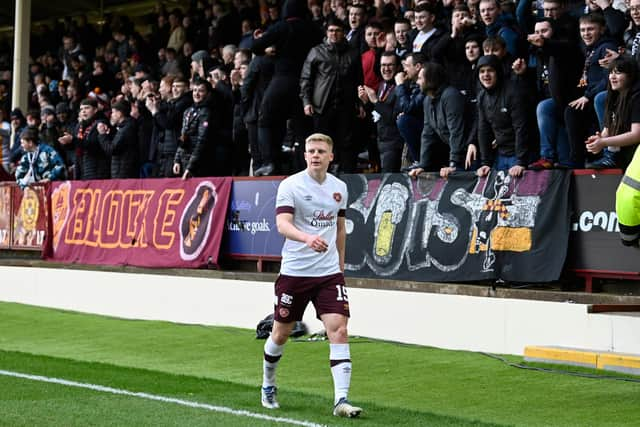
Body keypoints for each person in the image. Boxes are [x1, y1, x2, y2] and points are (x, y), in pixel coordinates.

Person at [261, 133, 362, 419]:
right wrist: (306, 238)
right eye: (311, 151)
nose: (315, 155)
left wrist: (340, 269)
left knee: (339, 328)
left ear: (331, 156)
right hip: (295, 272)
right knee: (281, 332)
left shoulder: (339, 188)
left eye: (321, 151)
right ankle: (268, 383)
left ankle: (341, 400)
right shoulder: (290, 185)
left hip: (328, 274)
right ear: (304, 155)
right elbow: (282, 223)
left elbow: (340, 229)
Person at [300, 18, 364, 174]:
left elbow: (359, 81)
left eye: (337, 30)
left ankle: (348, 179)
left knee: (347, 144)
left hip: (346, 105)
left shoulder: (353, 53)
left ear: (343, 33)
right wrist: (306, 101)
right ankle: (323, 176)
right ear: (326, 32)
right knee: (322, 143)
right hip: (321, 106)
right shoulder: (317, 51)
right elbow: (306, 78)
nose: (334, 34)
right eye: (331, 30)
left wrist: (360, 104)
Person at [409, 62, 468, 178]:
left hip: (469, 154)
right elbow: (427, 135)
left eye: (420, 78)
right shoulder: (427, 100)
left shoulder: (451, 96)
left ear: (430, 79)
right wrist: (423, 165)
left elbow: (457, 132)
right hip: (456, 152)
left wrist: (454, 164)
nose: (417, 82)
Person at [585, 57, 640, 171]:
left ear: (631, 76)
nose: (612, 77)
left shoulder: (637, 98)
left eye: (618, 73)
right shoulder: (614, 96)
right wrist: (598, 139)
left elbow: (636, 134)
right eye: (611, 73)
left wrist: (604, 142)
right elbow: (608, 129)